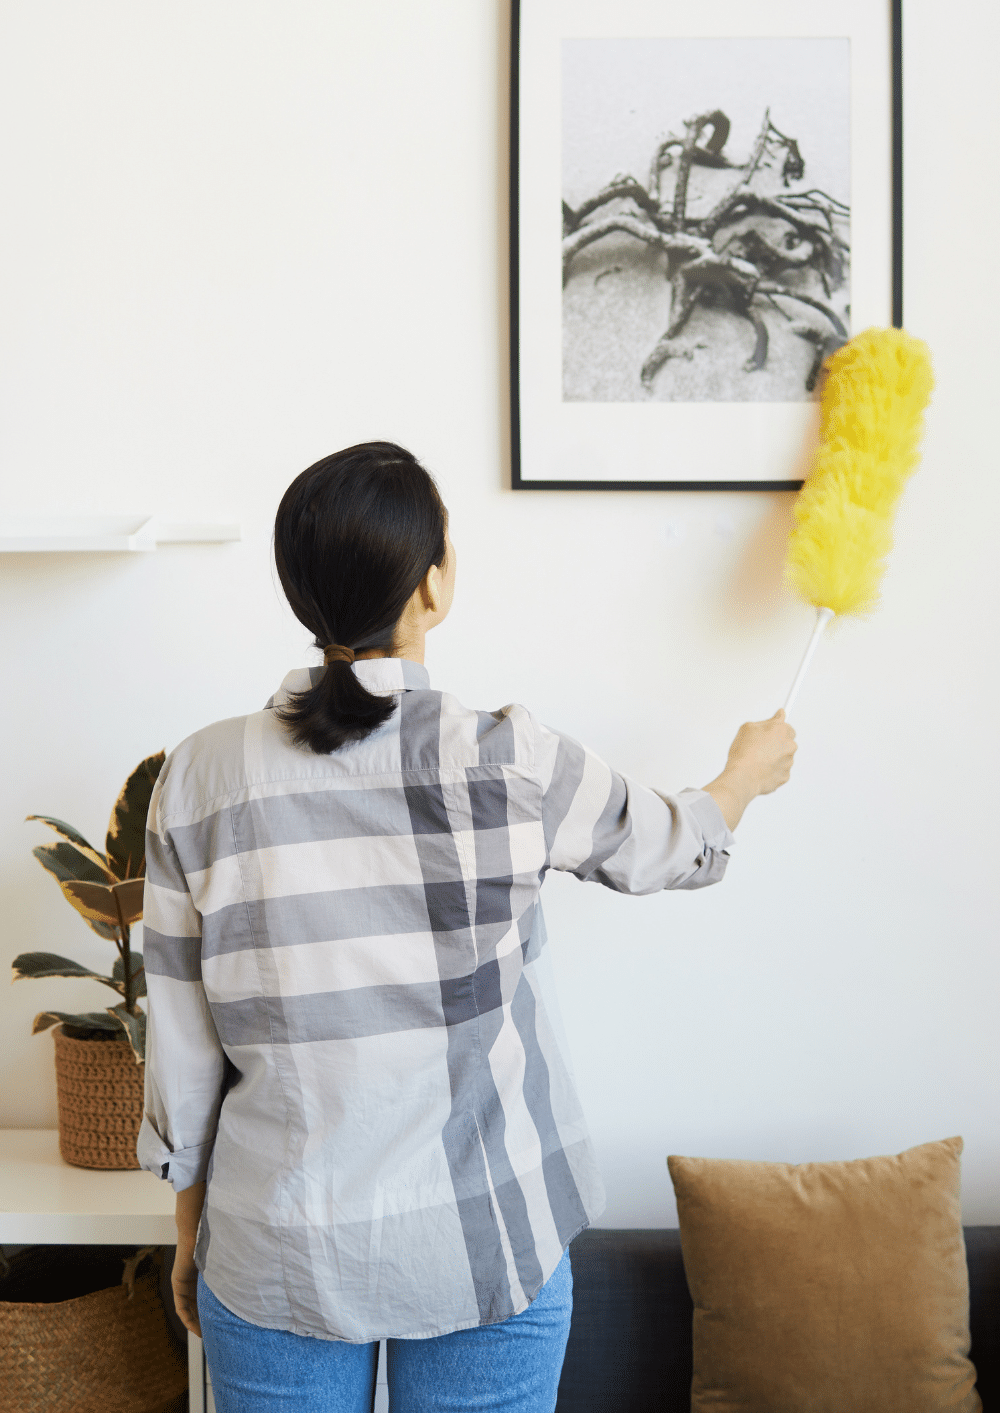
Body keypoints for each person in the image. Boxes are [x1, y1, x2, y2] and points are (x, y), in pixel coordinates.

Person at [138, 441, 796, 1413]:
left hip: (276, 1243)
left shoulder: (197, 778)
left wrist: (192, 1226)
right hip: (488, 1241)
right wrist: (744, 774)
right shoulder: (509, 762)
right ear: (432, 586)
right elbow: (671, 849)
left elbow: (184, 1047)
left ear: (303, 593)